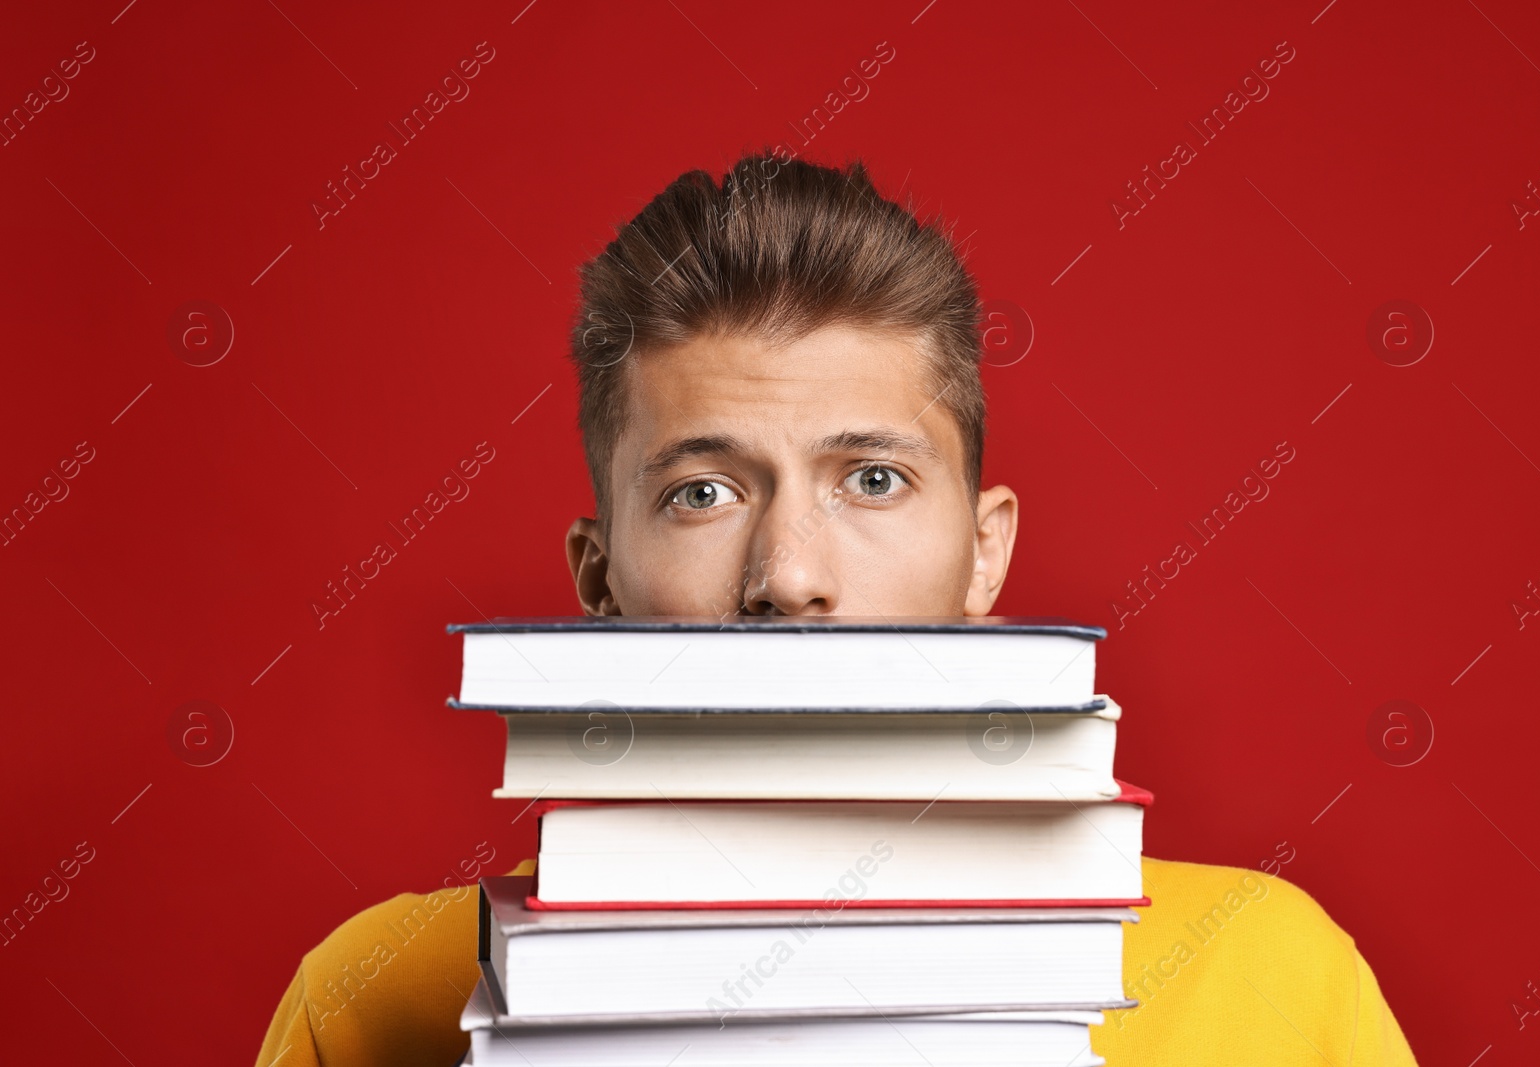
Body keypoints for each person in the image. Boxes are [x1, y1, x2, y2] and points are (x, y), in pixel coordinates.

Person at [255, 151, 1417, 1065]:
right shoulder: (371, 1002)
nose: (789, 577)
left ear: (983, 553)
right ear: (597, 579)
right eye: (702, 491)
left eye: (872, 477)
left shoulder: (1272, 981)